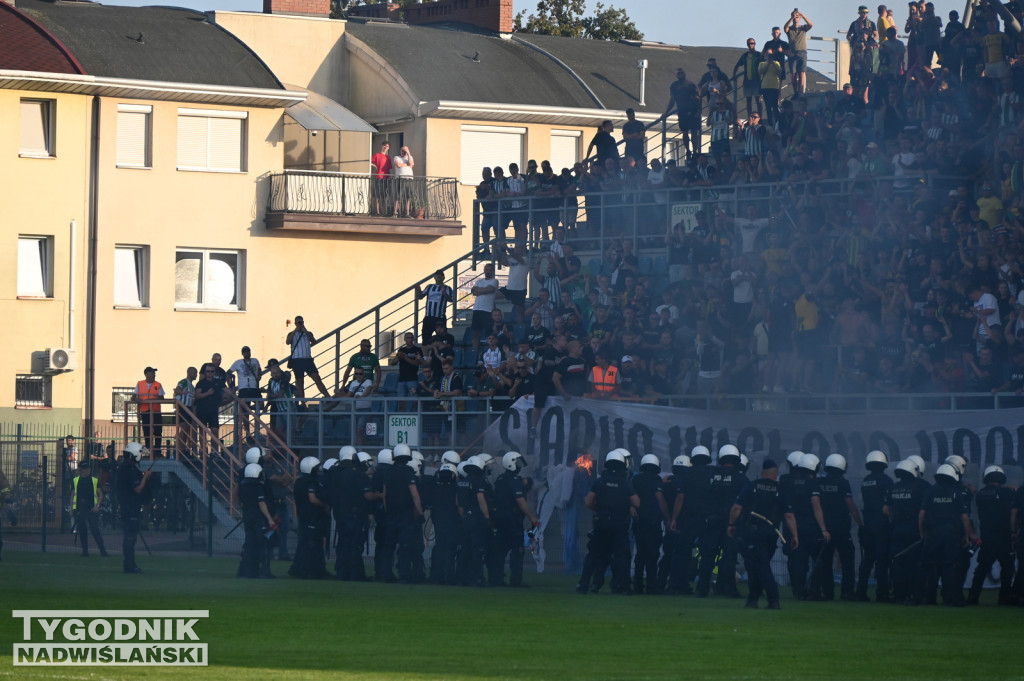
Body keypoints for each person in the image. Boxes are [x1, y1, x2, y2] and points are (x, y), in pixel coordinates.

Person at [728, 458, 797, 609]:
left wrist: (731, 524)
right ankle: (753, 599)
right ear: (775, 474)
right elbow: (789, 516)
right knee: (756, 566)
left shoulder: (751, 486)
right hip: (772, 533)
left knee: (760, 566)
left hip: (752, 532)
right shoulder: (781, 490)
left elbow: (736, 508)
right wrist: (794, 535)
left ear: (762, 473)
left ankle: (773, 599)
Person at [576, 450, 639, 594]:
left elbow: (588, 502)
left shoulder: (600, 481)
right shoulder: (626, 483)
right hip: (619, 524)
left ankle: (583, 584)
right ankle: (622, 587)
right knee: (621, 556)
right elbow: (637, 502)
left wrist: (598, 509)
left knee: (594, 554)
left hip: (601, 523)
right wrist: (627, 504)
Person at [810, 454, 863, 600]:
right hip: (841, 529)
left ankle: (827, 592)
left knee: (824, 562)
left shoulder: (818, 482)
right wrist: (860, 523)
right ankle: (847, 592)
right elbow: (851, 505)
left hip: (824, 529)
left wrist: (823, 528)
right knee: (847, 562)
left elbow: (816, 505)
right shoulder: (843, 483)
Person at [919, 464, 973, 606]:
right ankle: (950, 598)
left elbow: (922, 515)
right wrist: (967, 535)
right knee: (949, 567)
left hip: (932, 535)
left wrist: (922, 533)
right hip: (951, 536)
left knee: (931, 567)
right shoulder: (957, 492)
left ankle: (929, 598)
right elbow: (965, 517)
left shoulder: (930, 491)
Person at [489, 451, 540, 587]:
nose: (518, 466)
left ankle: (496, 579)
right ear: (511, 464)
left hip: (499, 520)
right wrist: (533, 518)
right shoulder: (515, 481)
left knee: (499, 551)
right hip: (512, 520)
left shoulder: (500, 479)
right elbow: (521, 501)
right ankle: (516, 580)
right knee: (517, 551)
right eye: (516, 463)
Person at [967, 466, 1014, 605]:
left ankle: (973, 597)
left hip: (987, 536)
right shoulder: (1007, 492)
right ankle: (1004, 598)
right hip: (1004, 536)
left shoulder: (981, 494)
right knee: (1007, 568)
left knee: (982, 568)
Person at [855, 450, 894, 602]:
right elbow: (886, 508)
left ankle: (860, 591)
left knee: (867, 560)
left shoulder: (865, 480)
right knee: (882, 560)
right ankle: (882, 594)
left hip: (867, 524)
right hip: (881, 525)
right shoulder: (886, 480)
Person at [382, 445, 424, 583]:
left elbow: (384, 494)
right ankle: (404, 575)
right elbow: (415, 495)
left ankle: (386, 574)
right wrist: (420, 511)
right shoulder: (408, 471)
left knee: (389, 547)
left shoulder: (388, 472)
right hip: (406, 515)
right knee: (405, 546)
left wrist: (388, 510)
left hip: (391, 514)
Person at [632, 454, 669, 595]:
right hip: (653, 523)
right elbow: (660, 500)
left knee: (640, 555)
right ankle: (651, 586)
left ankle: (637, 585)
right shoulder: (656, 480)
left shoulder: (636, 479)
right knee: (652, 555)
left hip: (639, 522)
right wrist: (667, 518)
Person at [289, 457, 331, 579]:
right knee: (312, 544)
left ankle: (305, 568)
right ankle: (309, 569)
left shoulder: (298, 481)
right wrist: (324, 505)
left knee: (305, 543)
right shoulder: (311, 482)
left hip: (303, 516)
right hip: (312, 516)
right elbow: (312, 499)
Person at [117, 442, 154, 574]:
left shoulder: (124, 468)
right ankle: (129, 565)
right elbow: (138, 488)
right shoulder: (130, 469)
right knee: (130, 538)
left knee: (130, 537)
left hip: (127, 506)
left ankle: (129, 564)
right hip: (130, 507)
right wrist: (145, 477)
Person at [238, 462, 276, 579]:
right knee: (262, 545)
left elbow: (240, 501)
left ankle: (247, 570)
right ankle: (264, 571)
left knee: (249, 545)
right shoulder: (258, 486)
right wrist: (270, 519)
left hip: (248, 518)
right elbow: (262, 503)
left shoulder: (243, 486)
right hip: (259, 519)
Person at [659, 69, 701, 159]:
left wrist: (699, 110)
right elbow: (672, 100)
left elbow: (697, 97)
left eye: (682, 73)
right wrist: (666, 112)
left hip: (693, 111)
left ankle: (695, 151)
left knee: (694, 132)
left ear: (685, 74)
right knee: (685, 133)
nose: (680, 75)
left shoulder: (691, 84)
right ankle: (688, 151)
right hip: (682, 112)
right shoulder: (674, 86)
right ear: (676, 75)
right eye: (679, 73)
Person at [286, 315, 330, 399]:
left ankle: (327, 396)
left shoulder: (307, 333)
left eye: (301, 322)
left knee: (316, 378)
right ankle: (302, 402)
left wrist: (305, 330)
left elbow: (313, 341)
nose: (300, 323)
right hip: (297, 361)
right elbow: (288, 342)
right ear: (295, 323)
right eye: (298, 322)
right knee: (300, 381)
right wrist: (296, 329)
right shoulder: (292, 334)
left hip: (308, 360)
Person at [72, 461, 108, 557]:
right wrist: (71, 508)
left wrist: (97, 506)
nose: (86, 470)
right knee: (82, 530)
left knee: (95, 530)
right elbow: (72, 495)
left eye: (87, 468)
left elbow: (100, 494)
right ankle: (85, 551)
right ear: (80, 470)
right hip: (80, 508)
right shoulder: (75, 480)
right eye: (84, 468)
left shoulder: (94, 480)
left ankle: (103, 551)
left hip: (91, 508)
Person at [229, 346, 262, 437]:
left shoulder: (255, 360)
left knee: (260, 405)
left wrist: (259, 376)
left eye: (248, 351)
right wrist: (231, 385)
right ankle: (248, 434)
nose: (247, 353)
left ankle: (257, 431)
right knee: (244, 412)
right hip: (243, 388)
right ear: (242, 353)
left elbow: (259, 369)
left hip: (254, 387)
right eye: (245, 352)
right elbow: (229, 373)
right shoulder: (238, 362)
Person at [132, 367, 164, 456]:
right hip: (146, 411)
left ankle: (157, 451)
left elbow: (162, 398)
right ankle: (148, 451)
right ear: (147, 374)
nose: (154, 375)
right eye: (152, 373)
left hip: (156, 411)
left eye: (154, 373)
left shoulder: (158, 384)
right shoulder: (140, 384)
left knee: (158, 431)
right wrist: (136, 399)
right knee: (147, 432)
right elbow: (133, 396)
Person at [415, 270, 454, 345]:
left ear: (444, 277)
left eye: (441, 275)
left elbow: (451, 299)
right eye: (437, 275)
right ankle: (426, 356)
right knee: (426, 338)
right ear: (434, 277)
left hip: (440, 316)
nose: (439, 276)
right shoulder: (429, 286)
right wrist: (419, 290)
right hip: (428, 316)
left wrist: (444, 293)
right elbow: (420, 297)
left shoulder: (447, 288)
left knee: (441, 337)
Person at [390, 332, 423, 411]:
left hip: (412, 378)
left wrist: (405, 357)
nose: (410, 339)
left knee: (414, 401)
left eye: (411, 338)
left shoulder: (417, 350)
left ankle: (415, 416)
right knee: (401, 402)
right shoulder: (402, 350)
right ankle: (402, 416)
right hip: (402, 379)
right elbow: (393, 363)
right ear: (404, 339)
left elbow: (416, 363)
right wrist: (398, 356)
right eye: (408, 338)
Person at [470, 263, 499, 354]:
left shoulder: (494, 281)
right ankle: (475, 352)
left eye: (490, 270)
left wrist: (480, 290)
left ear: (493, 271)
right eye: (486, 269)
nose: (488, 271)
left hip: (488, 310)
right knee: (476, 334)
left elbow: (490, 289)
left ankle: (490, 352)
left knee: (489, 335)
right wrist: (483, 290)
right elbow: (473, 291)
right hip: (477, 309)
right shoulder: (479, 281)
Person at [784, 10, 814, 96]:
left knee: (801, 73)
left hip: (802, 53)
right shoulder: (789, 29)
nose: (795, 17)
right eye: (794, 16)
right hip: (792, 53)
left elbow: (811, 25)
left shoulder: (803, 28)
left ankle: (800, 91)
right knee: (793, 74)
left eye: (797, 16)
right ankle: (795, 91)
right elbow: (785, 28)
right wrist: (791, 18)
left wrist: (803, 16)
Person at [193, 364, 222, 451]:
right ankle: (203, 450)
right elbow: (197, 396)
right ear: (205, 372)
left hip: (213, 410)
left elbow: (226, 391)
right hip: (202, 410)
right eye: (208, 371)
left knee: (215, 430)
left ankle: (214, 451)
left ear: (214, 372)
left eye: (212, 371)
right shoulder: (201, 383)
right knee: (202, 431)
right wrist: (208, 393)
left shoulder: (218, 382)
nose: (210, 373)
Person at [733, 37, 764, 118]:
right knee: (748, 102)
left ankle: (759, 118)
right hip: (747, 82)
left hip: (757, 81)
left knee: (758, 101)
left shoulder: (759, 55)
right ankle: (750, 118)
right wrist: (734, 75)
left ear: (755, 44)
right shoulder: (745, 56)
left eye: (752, 43)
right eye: (749, 44)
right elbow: (737, 65)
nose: (751, 45)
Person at [173, 366, 197, 458]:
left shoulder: (192, 386)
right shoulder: (184, 382)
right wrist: (183, 393)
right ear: (189, 373)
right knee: (184, 429)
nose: (196, 375)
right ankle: (179, 449)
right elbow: (177, 390)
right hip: (182, 408)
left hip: (189, 409)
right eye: (194, 373)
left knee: (187, 430)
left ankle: (183, 448)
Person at [371, 141, 392, 216]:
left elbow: (389, 168)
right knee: (377, 195)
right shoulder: (377, 155)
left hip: (386, 178)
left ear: (388, 148)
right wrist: (374, 166)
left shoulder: (388, 158)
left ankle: (383, 211)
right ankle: (377, 211)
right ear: (382, 146)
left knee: (384, 195)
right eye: (384, 145)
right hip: (378, 177)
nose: (385, 147)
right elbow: (369, 161)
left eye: (387, 146)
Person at [393, 145, 415, 216]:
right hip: (400, 178)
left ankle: (407, 213)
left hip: (409, 179)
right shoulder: (397, 157)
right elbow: (398, 165)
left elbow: (411, 165)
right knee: (398, 196)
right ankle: (395, 212)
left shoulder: (410, 157)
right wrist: (406, 164)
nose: (403, 152)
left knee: (408, 196)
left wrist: (408, 154)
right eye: (402, 150)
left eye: (405, 151)